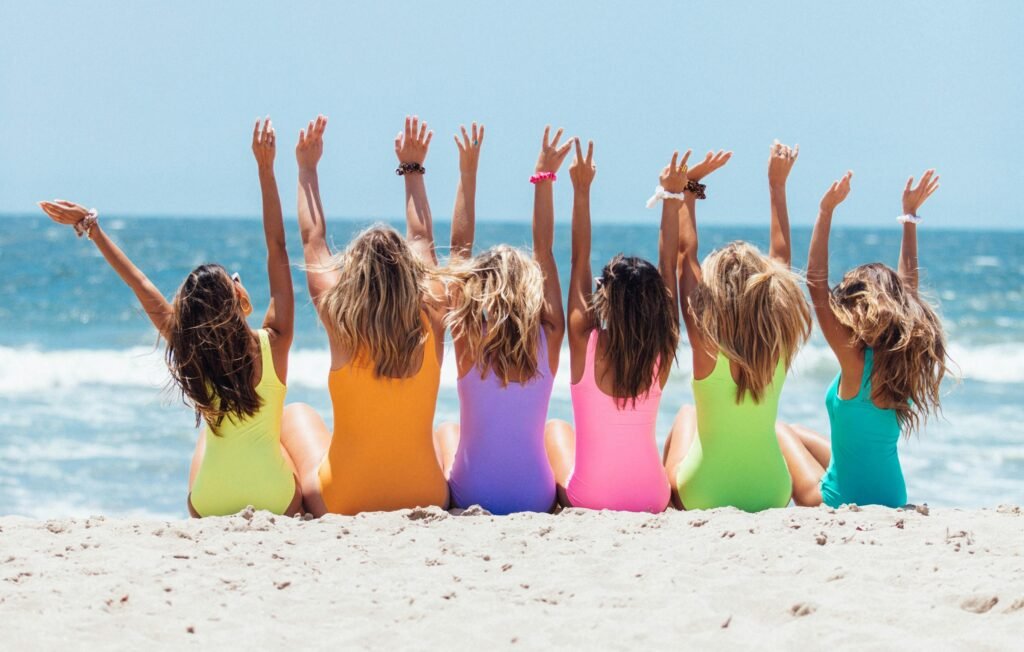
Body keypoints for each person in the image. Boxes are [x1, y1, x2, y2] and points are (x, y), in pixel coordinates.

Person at [38, 118, 303, 517]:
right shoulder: (276, 339)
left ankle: (223, 484)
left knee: (206, 441)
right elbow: (277, 248)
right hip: (276, 501)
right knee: (286, 430)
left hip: (207, 503)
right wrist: (266, 170)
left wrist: (90, 227)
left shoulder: (189, 347)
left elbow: (139, 284)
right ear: (236, 300)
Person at [281, 115, 449, 516]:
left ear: (352, 276)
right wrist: (413, 168)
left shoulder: (339, 321)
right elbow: (423, 237)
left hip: (344, 499)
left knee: (296, 415)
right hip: (426, 493)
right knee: (447, 435)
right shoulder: (434, 311)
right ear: (412, 274)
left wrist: (307, 169)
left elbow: (312, 239)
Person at [776, 169, 950, 508]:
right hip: (894, 496)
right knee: (797, 431)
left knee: (779, 430)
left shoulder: (853, 360)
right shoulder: (903, 358)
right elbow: (909, 288)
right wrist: (909, 218)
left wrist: (825, 212)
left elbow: (815, 282)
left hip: (839, 499)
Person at [663, 141, 812, 512]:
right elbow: (782, 259)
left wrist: (690, 188)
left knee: (686, 415)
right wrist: (777, 185)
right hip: (772, 491)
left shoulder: (704, 341)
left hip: (704, 493)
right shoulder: (779, 340)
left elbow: (685, 257)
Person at [543, 140, 686, 513]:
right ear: (657, 302)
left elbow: (578, 258)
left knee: (557, 430)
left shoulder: (583, 341)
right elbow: (668, 265)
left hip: (591, 499)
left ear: (605, 297)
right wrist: (671, 197)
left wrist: (581, 190)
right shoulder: (662, 348)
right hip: (653, 498)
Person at [434, 125, 568, 514]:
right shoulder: (550, 337)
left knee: (446, 432)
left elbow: (459, 251)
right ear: (531, 288)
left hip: (472, 493)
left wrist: (468, 173)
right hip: (537, 497)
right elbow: (545, 248)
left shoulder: (467, 342)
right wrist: (544, 177)